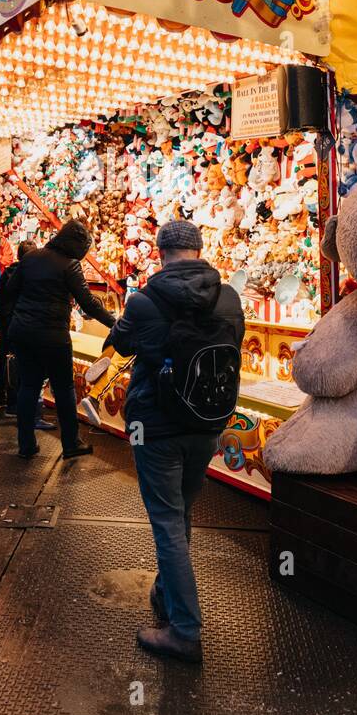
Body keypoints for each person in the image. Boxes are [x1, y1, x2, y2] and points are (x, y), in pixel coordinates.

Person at [107, 220, 245, 665]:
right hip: (208, 423)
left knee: (167, 522)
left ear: (162, 253)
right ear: (200, 250)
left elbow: (121, 342)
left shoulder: (145, 300)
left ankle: (185, 630)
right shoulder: (228, 297)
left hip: (158, 425)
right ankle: (165, 591)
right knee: (181, 510)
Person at [7, 219, 114, 460]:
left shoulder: (30, 258)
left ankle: (26, 445)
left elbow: (10, 290)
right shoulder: (69, 264)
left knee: (29, 385)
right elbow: (88, 302)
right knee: (64, 388)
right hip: (53, 335)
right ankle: (70, 443)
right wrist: (116, 324)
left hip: (23, 332)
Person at [0, 240, 55, 430]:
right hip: (23, 326)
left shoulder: (7, 274)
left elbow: (1, 299)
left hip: (7, 324)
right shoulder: (32, 277)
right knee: (21, 367)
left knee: (6, 362)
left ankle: (1, 401)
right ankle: (18, 407)